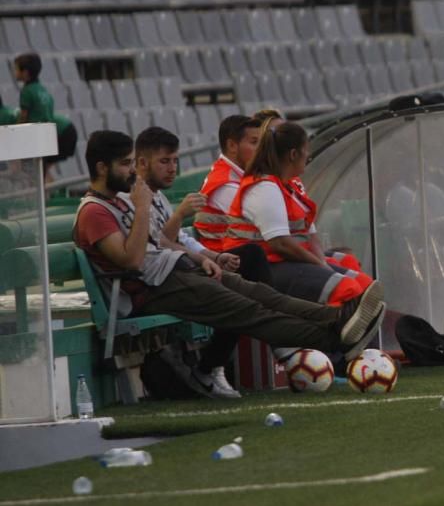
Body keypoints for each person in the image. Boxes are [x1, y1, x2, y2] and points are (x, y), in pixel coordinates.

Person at [72, 130, 385, 398]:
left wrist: (200, 257)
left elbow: (161, 243)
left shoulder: (119, 201)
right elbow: (133, 259)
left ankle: (339, 316)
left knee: (262, 294)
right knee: (251, 312)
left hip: (176, 270)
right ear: (102, 167)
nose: (132, 172)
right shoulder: (95, 213)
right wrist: (141, 209)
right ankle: (337, 338)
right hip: (154, 287)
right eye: (125, 164)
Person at [118, 126, 273, 398]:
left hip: (184, 268)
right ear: (142, 163)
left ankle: (217, 363)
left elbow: (183, 241)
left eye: (175, 161)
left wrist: (213, 257)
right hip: (161, 283)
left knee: (252, 258)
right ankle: (216, 364)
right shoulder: (135, 199)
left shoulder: (159, 196)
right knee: (237, 292)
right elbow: (160, 246)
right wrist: (180, 216)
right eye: (165, 161)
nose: (172, 168)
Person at [222, 121, 376, 306]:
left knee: (365, 285)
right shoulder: (264, 188)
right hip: (265, 268)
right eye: (306, 150)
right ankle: (331, 332)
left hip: (286, 260)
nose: (309, 155)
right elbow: (280, 244)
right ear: (293, 154)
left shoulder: (290, 186)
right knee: (346, 289)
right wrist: (320, 266)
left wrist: (323, 264)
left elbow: (311, 235)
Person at [195, 115, 264, 253]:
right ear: (232, 145)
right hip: (228, 262)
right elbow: (266, 221)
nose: (261, 150)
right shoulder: (224, 184)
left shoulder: (240, 173)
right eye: (254, 142)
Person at [12, 53, 77, 180]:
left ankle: (45, 195)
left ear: (25, 73)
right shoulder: (42, 89)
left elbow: (23, 116)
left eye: (16, 69)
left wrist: (16, 134)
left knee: (37, 170)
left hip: (49, 135)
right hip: (53, 134)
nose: (14, 73)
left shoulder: (27, 91)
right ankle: (47, 194)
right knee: (42, 168)